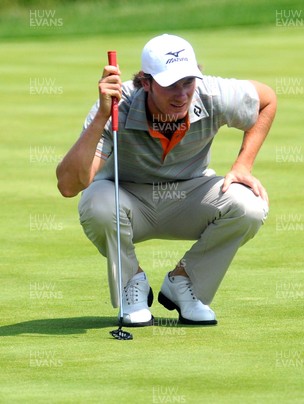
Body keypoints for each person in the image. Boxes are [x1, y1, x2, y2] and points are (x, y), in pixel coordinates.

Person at [56, 34, 276, 326]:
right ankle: (131, 282)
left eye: (187, 82)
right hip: (127, 200)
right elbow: (69, 185)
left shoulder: (212, 93)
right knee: (96, 202)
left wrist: (243, 165)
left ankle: (185, 284)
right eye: (170, 84)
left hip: (189, 197)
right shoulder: (116, 107)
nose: (182, 94)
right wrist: (101, 117)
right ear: (145, 83)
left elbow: (267, 100)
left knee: (249, 205)